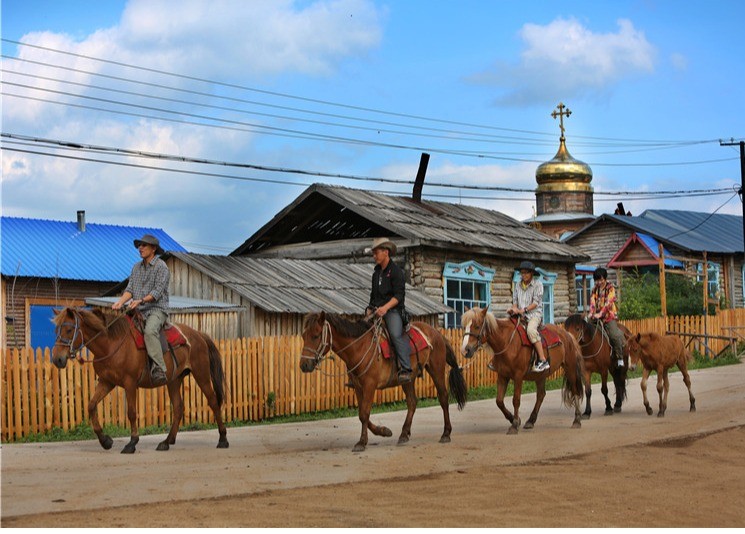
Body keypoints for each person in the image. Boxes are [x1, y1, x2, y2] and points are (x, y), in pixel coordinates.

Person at [112, 234, 171, 386]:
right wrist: (120, 302)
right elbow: (130, 289)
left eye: (144, 245)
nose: (140, 248)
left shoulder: (162, 267)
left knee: (150, 331)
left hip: (157, 309)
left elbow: (157, 292)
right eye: (140, 245)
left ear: (153, 249)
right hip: (138, 310)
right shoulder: (136, 267)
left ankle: (159, 368)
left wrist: (141, 300)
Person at [366, 237, 413, 383]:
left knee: (394, 334)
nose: (374, 256)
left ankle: (406, 368)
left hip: (393, 311)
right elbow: (373, 296)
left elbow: (399, 295)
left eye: (376, 253)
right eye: (373, 253)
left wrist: (385, 308)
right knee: (363, 331)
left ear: (386, 252)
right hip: (377, 311)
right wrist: (369, 308)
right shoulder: (376, 274)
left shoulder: (396, 272)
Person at [507, 261, 550, 372]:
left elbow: (536, 303)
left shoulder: (538, 285)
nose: (524, 275)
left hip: (534, 315)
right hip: (520, 315)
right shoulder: (517, 284)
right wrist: (514, 309)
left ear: (531, 273)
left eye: (526, 273)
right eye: (522, 273)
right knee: (507, 328)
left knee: (531, 330)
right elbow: (515, 300)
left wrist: (524, 310)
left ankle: (542, 359)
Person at [588, 267, 625, 368]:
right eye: (597, 280)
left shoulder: (610, 288)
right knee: (586, 328)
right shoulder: (594, 289)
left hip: (609, 316)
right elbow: (592, 302)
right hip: (596, 316)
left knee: (614, 335)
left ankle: (620, 357)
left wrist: (600, 314)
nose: (599, 282)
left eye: (601, 280)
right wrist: (591, 313)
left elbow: (609, 302)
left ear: (605, 278)